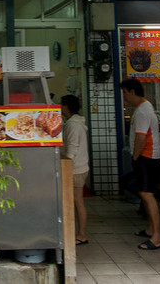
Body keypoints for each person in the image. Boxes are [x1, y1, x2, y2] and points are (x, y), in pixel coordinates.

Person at [121, 77, 160, 250]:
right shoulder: (144, 107)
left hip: (146, 157)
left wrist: (135, 157)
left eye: (125, 93)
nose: (124, 97)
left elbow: (140, 137)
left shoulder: (142, 111)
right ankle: (150, 229)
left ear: (132, 92)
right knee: (144, 193)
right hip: (147, 157)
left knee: (148, 195)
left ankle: (157, 237)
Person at [61, 94, 89, 245]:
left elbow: (71, 149)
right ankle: (78, 232)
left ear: (66, 106)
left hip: (75, 169)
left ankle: (81, 234)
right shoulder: (74, 122)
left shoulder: (73, 125)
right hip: (80, 167)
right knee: (77, 201)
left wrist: (65, 165)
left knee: (76, 201)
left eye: (61, 104)